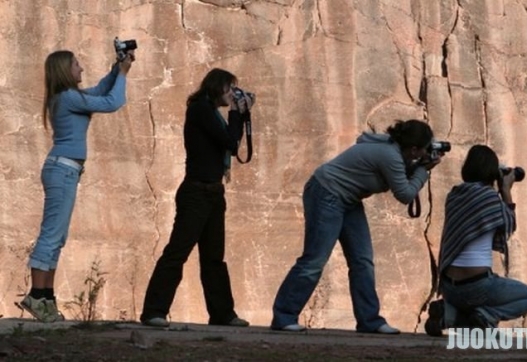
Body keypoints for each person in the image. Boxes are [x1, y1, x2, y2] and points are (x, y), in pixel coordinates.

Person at [271, 119, 442, 333]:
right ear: (414, 148)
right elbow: (406, 194)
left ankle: (370, 321)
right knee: (315, 259)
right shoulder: (390, 155)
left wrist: (418, 165)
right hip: (327, 193)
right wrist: (423, 171)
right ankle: (284, 316)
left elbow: (400, 177)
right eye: (424, 149)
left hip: (348, 200)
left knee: (362, 261)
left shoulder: (392, 150)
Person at [20, 49, 134, 322]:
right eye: (76, 65)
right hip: (62, 170)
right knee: (51, 236)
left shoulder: (68, 97)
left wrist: (117, 69)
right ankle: (36, 296)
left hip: (65, 170)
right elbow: (111, 102)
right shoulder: (69, 98)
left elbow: (99, 90)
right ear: (64, 70)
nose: (81, 69)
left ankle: (45, 297)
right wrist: (124, 74)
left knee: (57, 237)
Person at [140, 68, 253, 328]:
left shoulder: (212, 112)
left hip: (213, 192)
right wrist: (237, 112)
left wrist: (240, 113)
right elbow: (230, 142)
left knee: (214, 258)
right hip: (196, 192)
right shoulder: (200, 110)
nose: (231, 95)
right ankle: (154, 311)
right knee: (177, 253)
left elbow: (229, 141)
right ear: (216, 87)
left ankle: (223, 314)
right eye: (228, 89)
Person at [424, 145, 527, 336]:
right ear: (492, 172)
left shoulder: (454, 195)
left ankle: (449, 314)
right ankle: (485, 315)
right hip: (477, 286)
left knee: (472, 301)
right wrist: (505, 190)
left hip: (449, 288)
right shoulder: (488, 197)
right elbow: (509, 224)